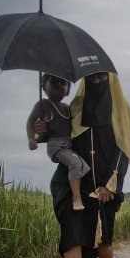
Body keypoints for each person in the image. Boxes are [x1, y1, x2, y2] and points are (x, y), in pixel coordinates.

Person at [38, 72, 130, 258]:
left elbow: (123, 150)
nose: (95, 82)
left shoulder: (121, 111)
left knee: (104, 239)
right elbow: (57, 138)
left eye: (101, 78)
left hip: (104, 185)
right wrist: (41, 129)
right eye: (91, 78)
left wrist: (109, 184)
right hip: (71, 183)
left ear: (111, 80)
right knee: (71, 239)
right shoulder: (72, 109)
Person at [26, 74, 90, 211]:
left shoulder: (67, 108)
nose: (59, 85)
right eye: (54, 82)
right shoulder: (43, 105)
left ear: (68, 90)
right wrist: (33, 138)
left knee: (84, 166)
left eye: (63, 82)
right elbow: (30, 122)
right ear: (43, 87)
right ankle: (76, 198)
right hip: (57, 146)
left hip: (68, 145)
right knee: (76, 164)